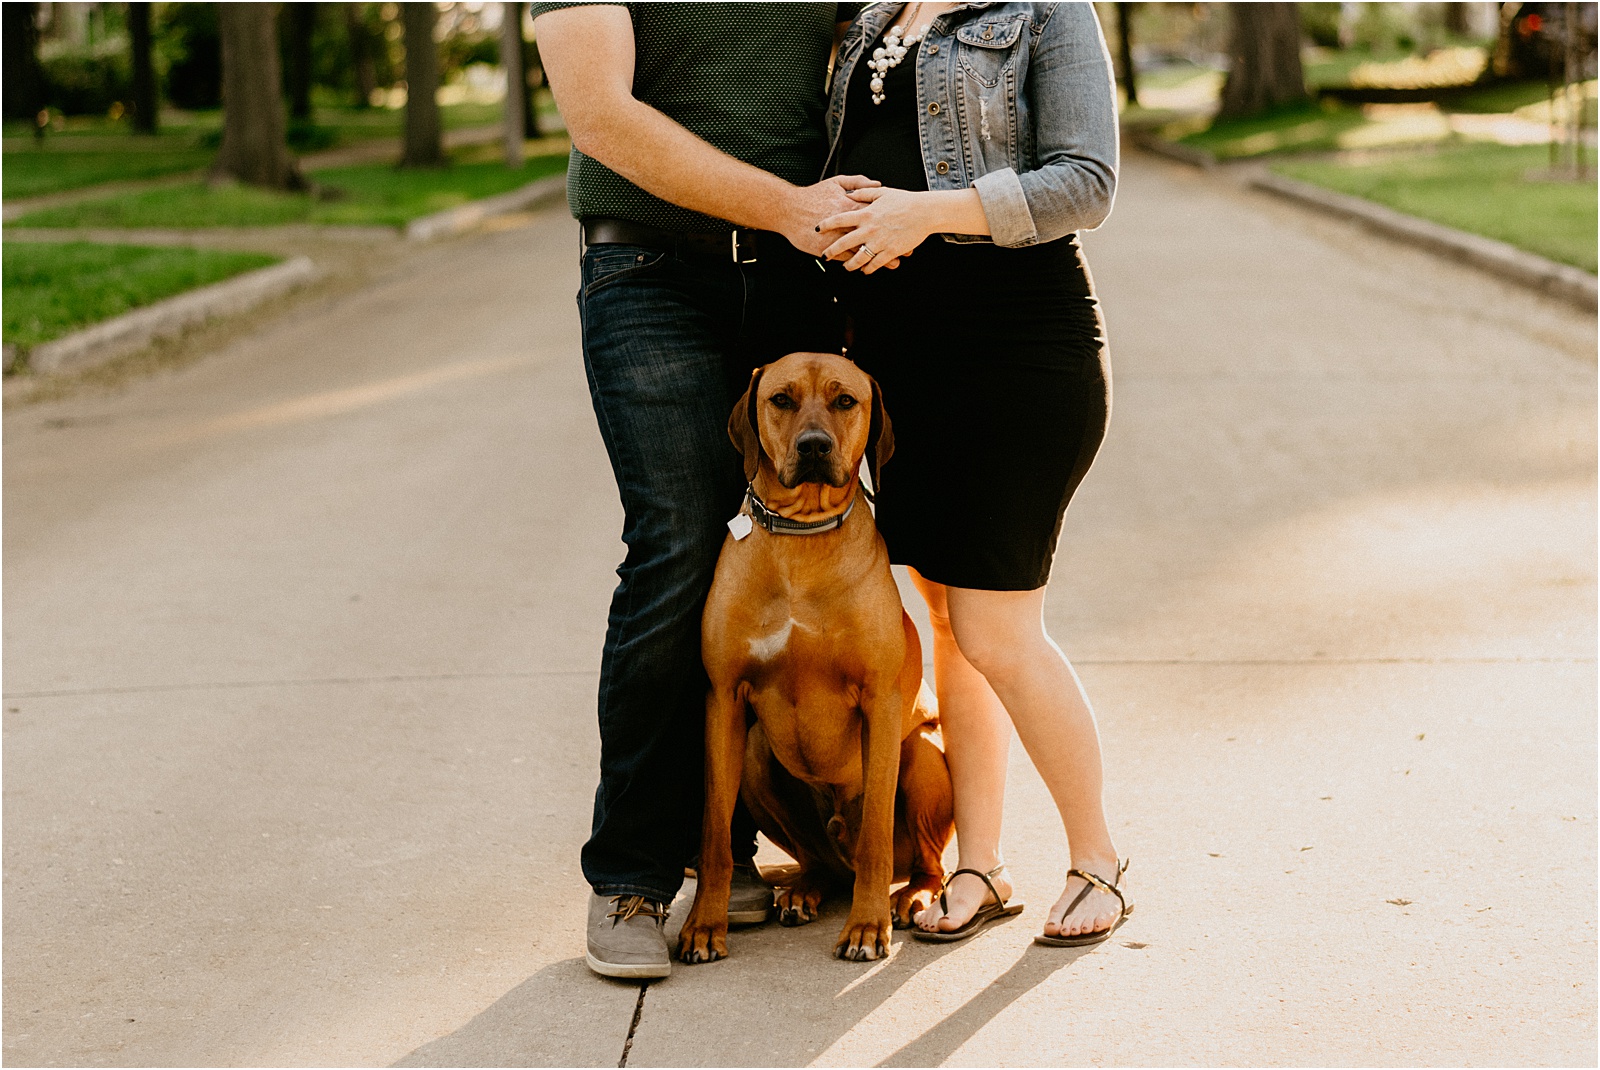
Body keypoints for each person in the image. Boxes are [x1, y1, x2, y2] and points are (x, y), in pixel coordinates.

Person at [530, 1, 877, 979]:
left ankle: (734, 845)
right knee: (679, 540)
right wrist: (785, 205)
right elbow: (599, 116)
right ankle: (633, 874)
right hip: (649, 271)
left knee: (800, 552)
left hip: (798, 278)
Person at [816, 1, 1134, 946]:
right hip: (906, 370)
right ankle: (981, 867)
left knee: (999, 630)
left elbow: (1087, 182)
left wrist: (924, 214)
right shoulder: (875, 10)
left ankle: (1099, 864)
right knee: (951, 628)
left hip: (1017, 349)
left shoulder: (1044, 9)